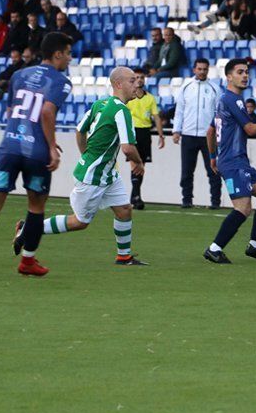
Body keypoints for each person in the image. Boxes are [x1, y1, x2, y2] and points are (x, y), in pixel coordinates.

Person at [0, 32, 74, 279]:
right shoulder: (62, 81)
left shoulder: (19, 75)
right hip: (36, 153)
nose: (70, 58)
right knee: (35, 206)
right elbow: (46, 111)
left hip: (9, 148)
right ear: (57, 54)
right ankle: (27, 261)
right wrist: (52, 145)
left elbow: (12, 110)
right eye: (68, 53)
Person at [21, 66, 147, 266]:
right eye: (132, 81)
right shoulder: (122, 111)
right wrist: (139, 162)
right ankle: (28, 228)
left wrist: (86, 155)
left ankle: (124, 256)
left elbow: (80, 131)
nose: (137, 83)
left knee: (124, 209)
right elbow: (127, 148)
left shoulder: (100, 103)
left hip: (106, 174)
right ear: (119, 84)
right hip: (94, 176)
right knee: (79, 222)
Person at [203, 59, 256, 264]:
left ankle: (255, 246)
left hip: (236, 161)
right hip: (233, 162)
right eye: (240, 72)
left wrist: (213, 157)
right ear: (229, 76)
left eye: (246, 72)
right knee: (243, 207)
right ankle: (214, 249)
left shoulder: (225, 100)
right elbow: (250, 129)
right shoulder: (233, 100)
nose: (245, 75)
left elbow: (210, 131)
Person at [173, 58, 221, 209]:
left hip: (209, 136)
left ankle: (215, 202)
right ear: (194, 70)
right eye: (199, 69)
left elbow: (219, 114)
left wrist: (218, 135)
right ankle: (186, 200)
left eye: (205, 69)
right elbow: (179, 110)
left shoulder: (215, 89)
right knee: (187, 171)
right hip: (188, 134)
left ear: (208, 70)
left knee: (213, 170)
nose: (202, 71)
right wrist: (176, 130)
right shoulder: (185, 87)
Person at [127, 69, 165, 209]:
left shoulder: (150, 98)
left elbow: (156, 117)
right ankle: (137, 197)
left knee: (141, 166)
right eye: (136, 77)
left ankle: (135, 197)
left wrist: (161, 135)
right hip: (132, 132)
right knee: (134, 164)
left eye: (141, 77)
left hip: (145, 133)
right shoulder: (129, 98)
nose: (139, 80)